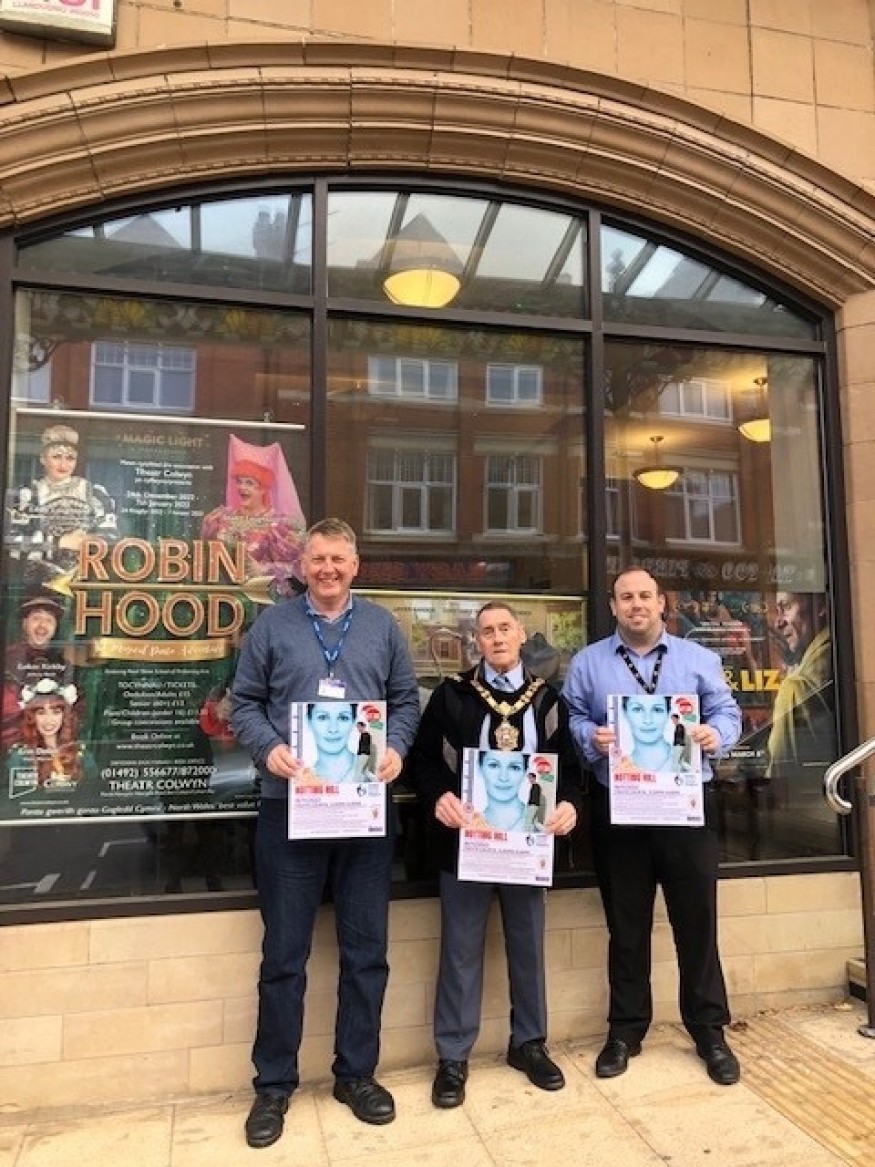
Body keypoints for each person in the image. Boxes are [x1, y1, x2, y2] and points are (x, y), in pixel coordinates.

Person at [231, 518, 420, 1148]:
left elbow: (406, 701)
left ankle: (356, 1075)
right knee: (284, 955)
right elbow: (243, 702)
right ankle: (273, 1086)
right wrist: (269, 748)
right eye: (318, 559)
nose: (329, 569)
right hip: (289, 810)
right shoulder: (273, 626)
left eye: (339, 559)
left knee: (366, 953)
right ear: (303, 565)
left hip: (364, 813)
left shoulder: (382, 627)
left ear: (355, 565)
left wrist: (396, 748)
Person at [562, 567, 742, 1087]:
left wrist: (715, 734)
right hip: (621, 809)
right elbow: (572, 717)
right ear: (613, 606)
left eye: (645, 596)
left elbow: (728, 713)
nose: (636, 604)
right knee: (626, 926)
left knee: (697, 923)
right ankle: (625, 1030)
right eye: (626, 597)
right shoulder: (589, 663)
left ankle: (709, 1031)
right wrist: (589, 737)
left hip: (685, 809)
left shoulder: (698, 659)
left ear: (662, 603)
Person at [407, 600, 583, 1109]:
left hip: (527, 846)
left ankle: (529, 1043)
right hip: (468, 845)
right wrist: (439, 797)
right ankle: (453, 1056)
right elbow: (423, 761)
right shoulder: (452, 695)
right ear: (476, 641)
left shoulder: (549, 700)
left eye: (505, 628)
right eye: (487, 631)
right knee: (460, 950)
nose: (498, 637)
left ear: (521, 634)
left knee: (528, 945)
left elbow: (570, 771)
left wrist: (569, 805)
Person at [6, 423, 116, 580]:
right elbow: (12, 541)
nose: (63, 465)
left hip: (83, 580)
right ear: (43, 458)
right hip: (38, 581)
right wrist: (59, 542)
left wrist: (88, 540)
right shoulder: (26, 495)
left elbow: (112, 538)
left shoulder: (95, 494)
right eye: (56, 457)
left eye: (70, 458)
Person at [200, 436, 307, 596]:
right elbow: (204, 557)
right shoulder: (221, 518)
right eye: (239, 481)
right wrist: (206, 534)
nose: (242, 487)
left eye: (249, 483)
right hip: (225, 598)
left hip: (262, 599)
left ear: (264, 488)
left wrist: (264, 570)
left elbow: (300, 568)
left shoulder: (280, 525)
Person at [766, 591, 834, 784]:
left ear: (820, 605)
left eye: (786, 607)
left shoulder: (794, 689)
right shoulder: (836, 652)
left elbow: (779, 774)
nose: (778, 622)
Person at [2, 592, 72, 749]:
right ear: (24, 624)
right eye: (36, 618)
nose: (42, 625)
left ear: (55, 627)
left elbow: (74, 712)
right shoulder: (7, 660)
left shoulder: (64, 666)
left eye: (49, 620)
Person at [6, 677, 94, 795]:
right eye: (41, 713)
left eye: (56, 712)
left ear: (65, 716)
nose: (49, 720)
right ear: (32, 718)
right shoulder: (20, 756)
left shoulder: (81, 754)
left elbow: (92, 793)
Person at [304, 700, 357, 782]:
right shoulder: (302, 779)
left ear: (354, 722)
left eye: (343, 718)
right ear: (308, 721)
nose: (333, 729)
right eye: (323, 717)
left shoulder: (371, 769)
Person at [618, 694, 673, 772]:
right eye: (637, 709)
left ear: (668, 713)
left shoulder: (685, 760)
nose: (648, 720)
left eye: (657, 710)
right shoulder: (620, 767)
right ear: (625, 713)